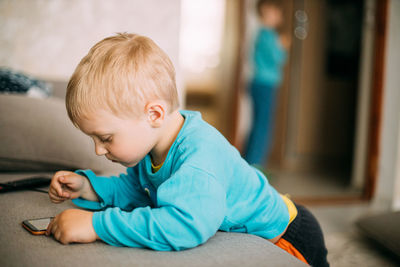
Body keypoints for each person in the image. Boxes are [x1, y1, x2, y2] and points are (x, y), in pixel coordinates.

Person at [46, 33, 328, 266]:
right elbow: (135, 193)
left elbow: (184, 225)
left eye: (105, 138)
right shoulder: (152, 147)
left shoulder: (198, 158)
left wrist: (96, 226)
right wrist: (88, 188)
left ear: (154, 115)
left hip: (289, 235)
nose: (98, 150)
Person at [244, 0, 289, 168]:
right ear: (266, 11)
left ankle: (251, 162)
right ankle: (254, 165)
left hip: (259, 83)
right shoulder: (268, 35)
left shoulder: (262, 34)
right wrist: (282, 46)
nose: (279, 16)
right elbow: (278, 58)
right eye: (276, 12)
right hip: (265, 85)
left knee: (259, 124)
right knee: (263, 126)